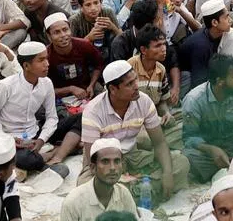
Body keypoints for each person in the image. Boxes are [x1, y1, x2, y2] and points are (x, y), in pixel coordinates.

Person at [80, 61, 189, 202]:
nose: (136, 86)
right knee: (86, 187)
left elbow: (160, 143)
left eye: (135, 80)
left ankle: (128, 194)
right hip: (105, 160)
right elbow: (93, 160)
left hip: (133, 154)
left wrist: (167, 173)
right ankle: (142, 190)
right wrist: (121, 176)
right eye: (129, 84)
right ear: (113, 89)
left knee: (180, 162)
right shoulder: (93, 111)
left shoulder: (144, 102)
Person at [0, 42, 77, 176]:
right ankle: (54, 153)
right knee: (24, 159)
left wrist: (41, 140)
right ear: (26, 65)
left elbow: (52, 117)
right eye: (41, 60)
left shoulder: (46, 83)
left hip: (36, 133)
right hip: (12, 140)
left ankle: (46, 154)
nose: (47, 64)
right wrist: (6, 138)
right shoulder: (5, 86)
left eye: (46, 58)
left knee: (80, 118)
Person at [181, 55, 233, 182]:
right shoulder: (194, 100)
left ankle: (228, 166)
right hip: (206, 149)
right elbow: (189, 138)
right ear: (220, 82)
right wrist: (212, 150)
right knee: (188, 158)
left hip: (230, 142)